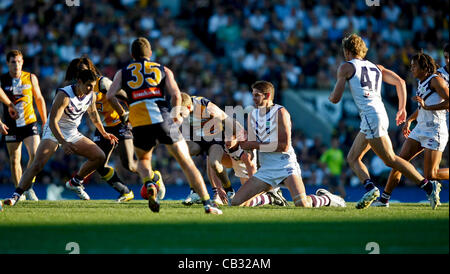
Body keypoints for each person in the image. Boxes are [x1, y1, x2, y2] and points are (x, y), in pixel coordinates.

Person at [106, 37, 221, 214]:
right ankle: (207, 203)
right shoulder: (162, 69)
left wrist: (124, 113)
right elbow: (175, 95)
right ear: (150, 53)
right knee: (186, 162)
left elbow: (110, 95)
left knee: (144, 160)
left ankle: (150, 184)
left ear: (132, 54)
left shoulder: (123, 72)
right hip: (162, 118)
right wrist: (175, 116)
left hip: (139, 123)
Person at [329, 34, 441, 209]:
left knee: (390, 159)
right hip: (378, 114)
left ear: (347, 50)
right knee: (352, 157)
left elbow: (335, 98)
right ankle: (371, 188)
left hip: (370, 117)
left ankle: (427, 186)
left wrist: (331, 95)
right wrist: (402, 108)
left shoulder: (346, 67)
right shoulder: (376, 67)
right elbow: (400, 82)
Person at [3, 69, 118, 206]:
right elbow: (53, 122)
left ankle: (75, 182)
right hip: (53, 130)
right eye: (88, 85)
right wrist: (63, 142)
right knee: (37, 165)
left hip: (72, 132)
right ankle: (16, 196)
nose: (91, 89)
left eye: (93, 86)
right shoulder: (64, 95)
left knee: (99, 156)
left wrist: (104, 133)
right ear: (79, 82)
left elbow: (93, 114)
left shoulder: (91, 95)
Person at [231, 80, 346, 208]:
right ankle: (270, 197)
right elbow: (250, 145)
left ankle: (327, 199)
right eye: (253, 94)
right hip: (266, 168)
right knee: (236, 203)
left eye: (257, 95)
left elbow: (283, 146)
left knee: (302, 205)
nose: (253, 98)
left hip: (285, 165)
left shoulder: (280, 112)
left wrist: (253, 145)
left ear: (267, 96)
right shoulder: (252, 114)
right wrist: (240, 145)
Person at [64, 57, 148, 203]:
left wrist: (128, 115)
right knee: (99, 163)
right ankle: (125, 192)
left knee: (128, 164)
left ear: (90, 68)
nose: (82, 72)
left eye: (84, 69)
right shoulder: (79, 87)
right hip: (103, 128)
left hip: (120, 123)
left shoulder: (102, 82)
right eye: (79, 71)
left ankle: (154, 177)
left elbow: (123, 95)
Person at [372, 52, 449, 207]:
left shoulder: (436, 80)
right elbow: (422, 107)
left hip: (435, 130)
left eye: (414, 66)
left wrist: (428, 107)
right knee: (400, 162)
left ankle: (431, 185)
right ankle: (384, 199)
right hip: (420, 128)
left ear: (425, 67)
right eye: (411, 66)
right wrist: (410, 120)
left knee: (430, 174)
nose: (412, 69)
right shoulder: (422, 82)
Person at [0, 50, 47, 201]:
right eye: (13, 62)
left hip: (29, 123)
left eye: (19, 61)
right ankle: (18, 192)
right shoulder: (2, 80)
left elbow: (39, 99)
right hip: (11, 125)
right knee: (15, 159)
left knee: (35, 154)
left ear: (23, 62)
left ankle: (28, 187)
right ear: (8, 63)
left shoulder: (31, 77)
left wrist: (45, 121)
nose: (16, 65)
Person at [179, 93, 238, 206]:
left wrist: (240, 134)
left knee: (215, 164)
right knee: (184, 154)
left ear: (188, 107)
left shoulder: (207, 107)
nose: (181, 116)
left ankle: (229, 190)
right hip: (196, 138)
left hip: (214, 138)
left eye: (182, 113)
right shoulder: (180, 107)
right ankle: (194, 191)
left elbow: (227, 119)